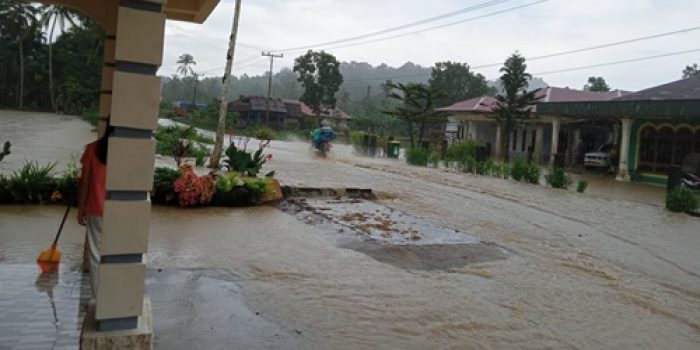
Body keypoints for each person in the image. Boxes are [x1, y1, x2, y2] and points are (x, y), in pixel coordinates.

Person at [78, 125, 110, 296]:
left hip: (96, 209)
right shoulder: (124, 152)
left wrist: (80, 208)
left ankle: (99, 299)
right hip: (119, 213)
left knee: (95, 254)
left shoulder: (92, 149)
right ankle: (111, 298)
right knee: (113, 255)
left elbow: (85, 183)